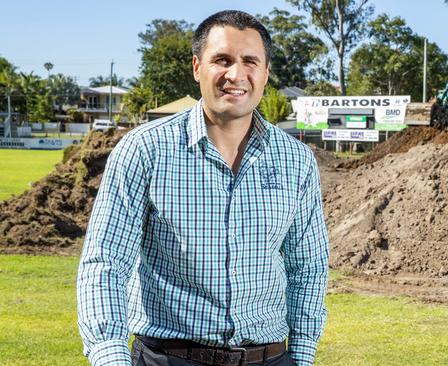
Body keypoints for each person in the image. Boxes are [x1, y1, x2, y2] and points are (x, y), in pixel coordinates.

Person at [77, 10, 329, 366]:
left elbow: (309, 267)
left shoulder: (296, 160)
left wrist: (301, 356)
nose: (235, 74)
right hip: (170, 358)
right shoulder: (145, 150)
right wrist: (110, 356)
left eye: (249, 61)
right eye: (222, 60)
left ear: (266, 72)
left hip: (270, 358)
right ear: (197, 67)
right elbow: (105, 264)